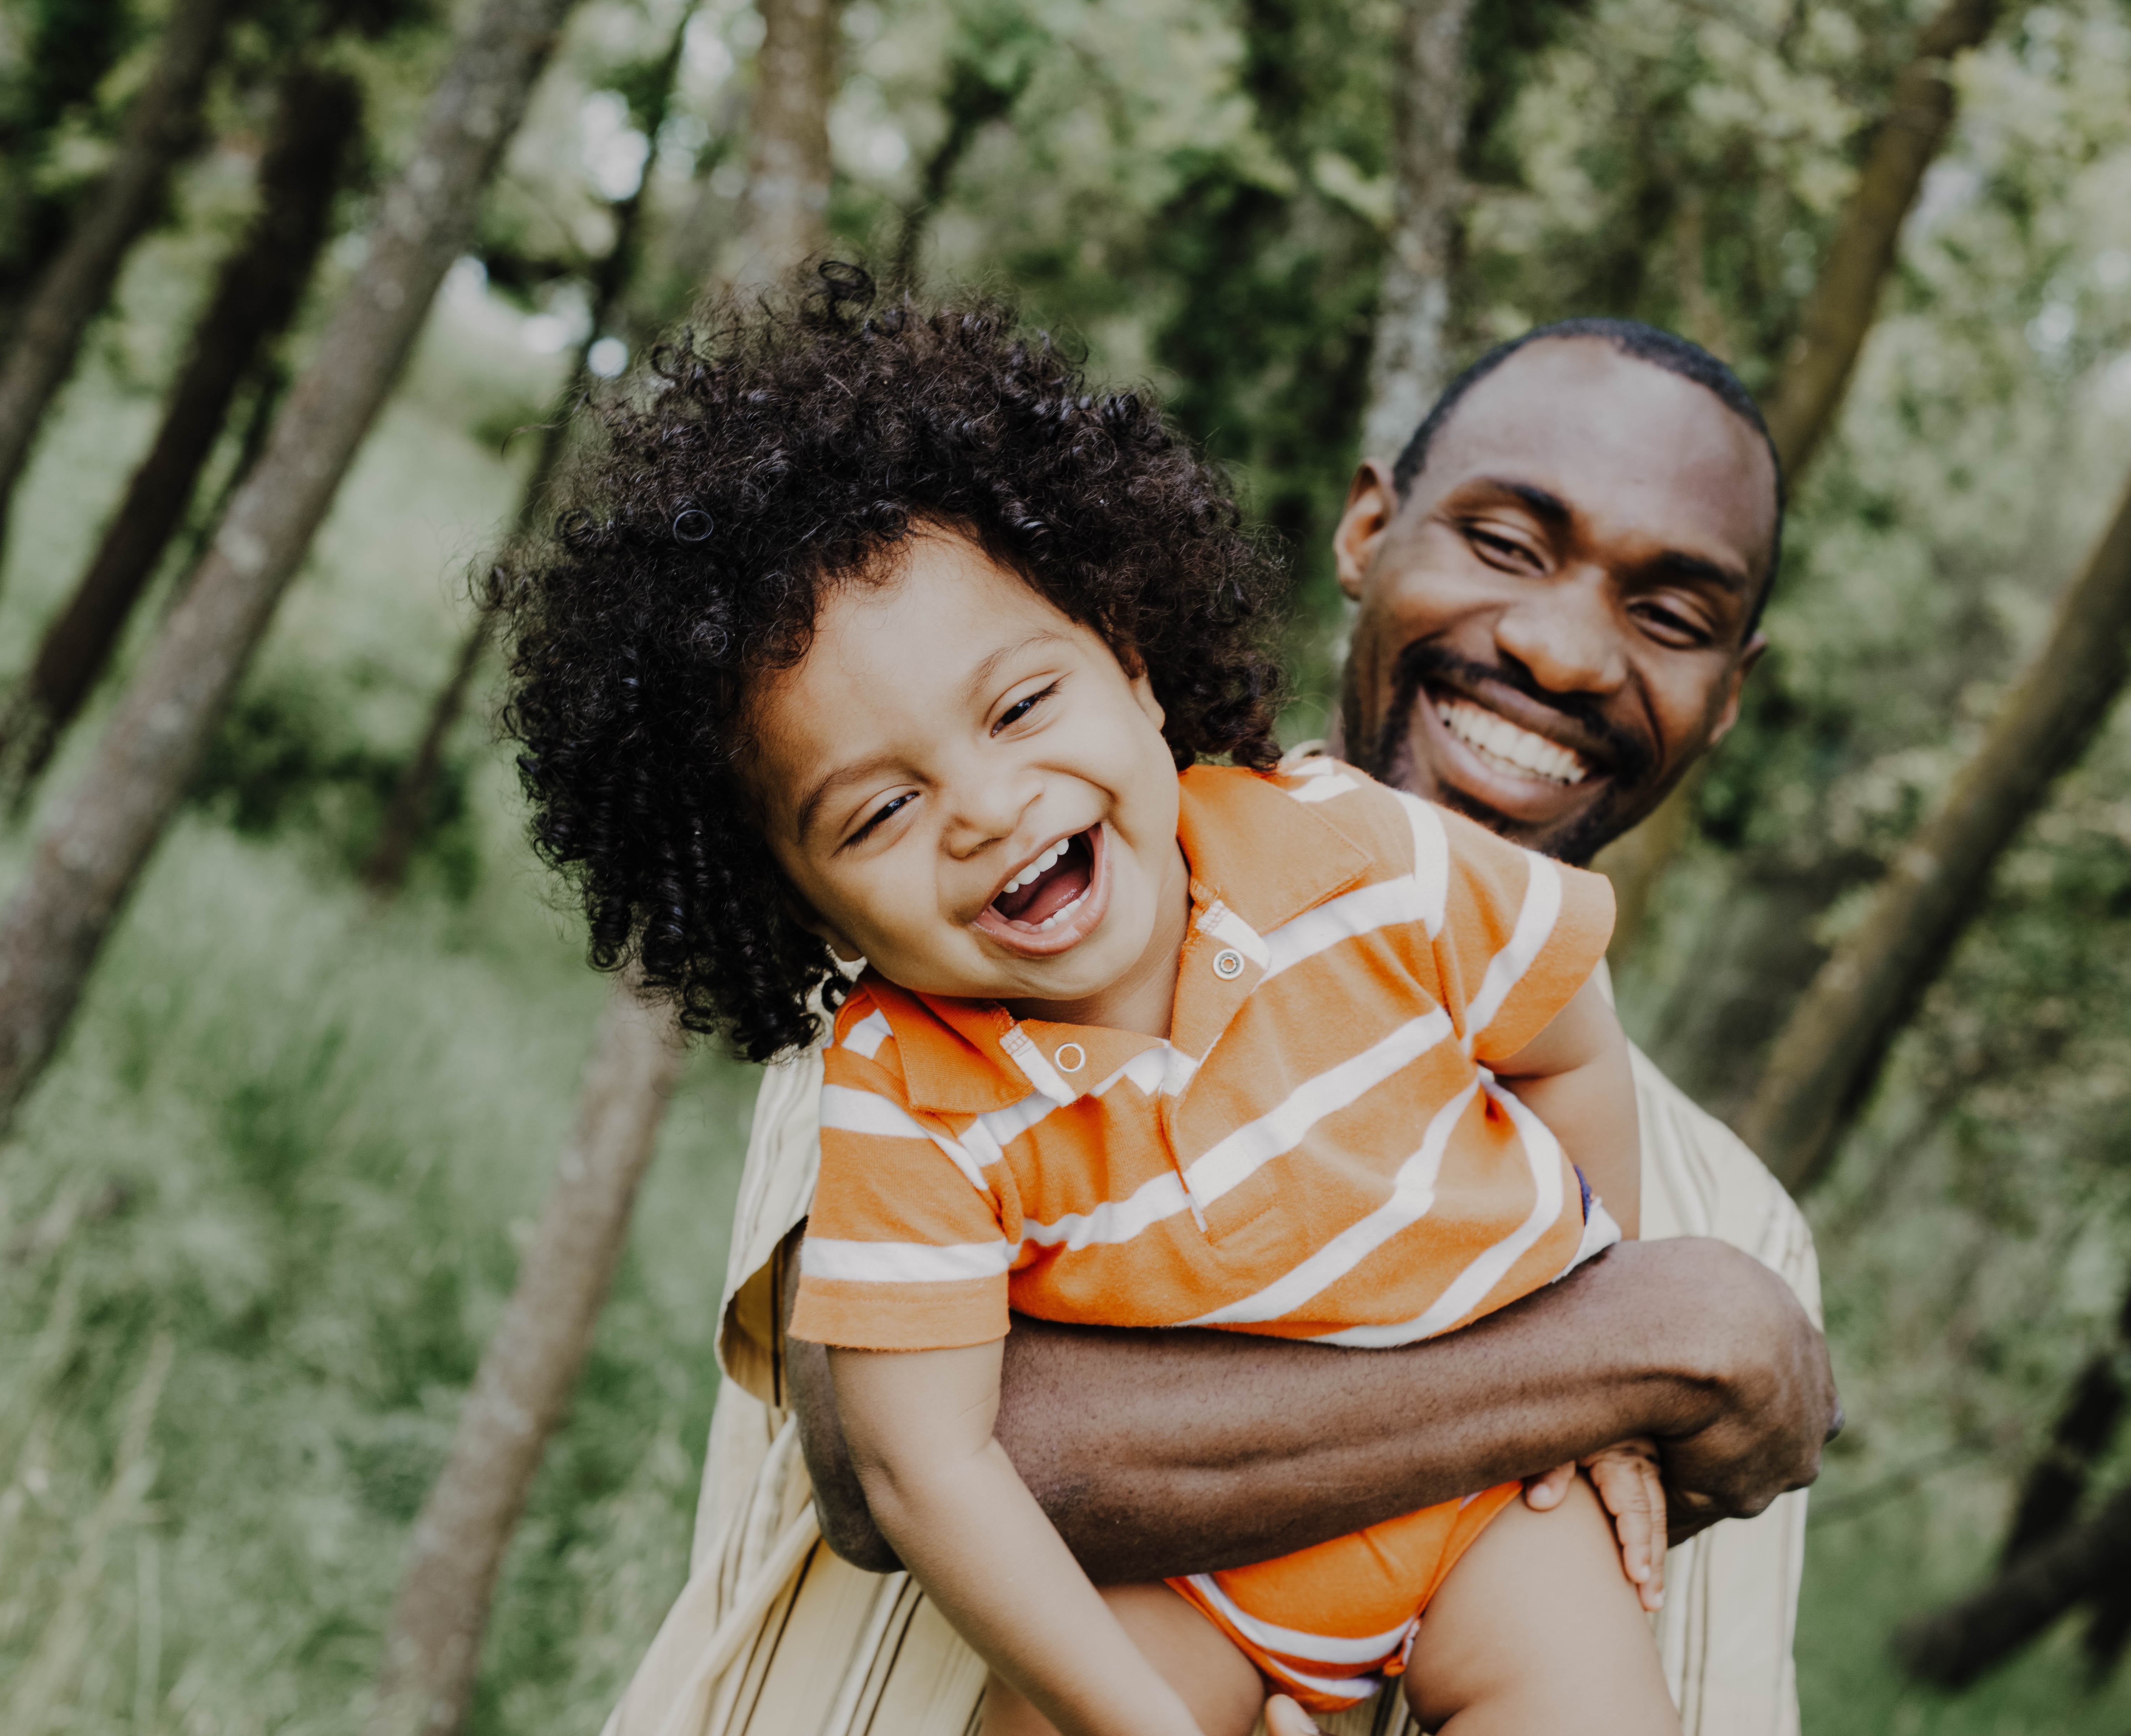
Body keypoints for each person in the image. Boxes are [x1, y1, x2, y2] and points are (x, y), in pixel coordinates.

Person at [588, 303, 1838, 1736]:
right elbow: (934, 1458)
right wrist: (1635, 1344)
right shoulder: (947, 999)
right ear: (1370, 527)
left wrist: (1637, 1331)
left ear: (1728, 696)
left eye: (1669, 614)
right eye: (1504, 542)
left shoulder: (1740, 1219)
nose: (1561, 652)